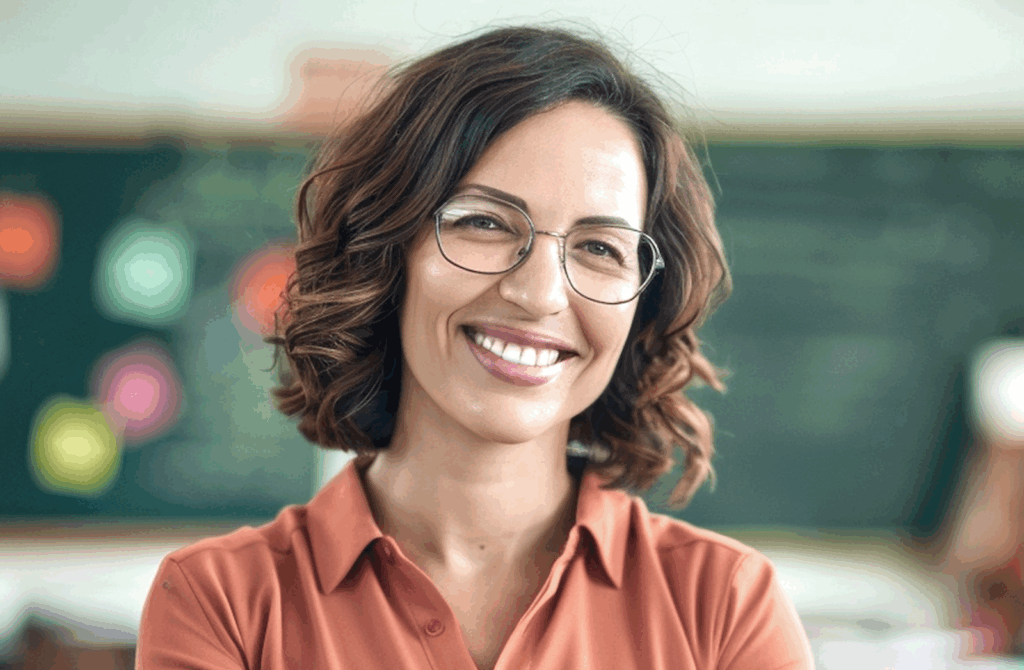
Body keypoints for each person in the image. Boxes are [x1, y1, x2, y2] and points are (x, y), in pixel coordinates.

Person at [136, 25, 814, 670]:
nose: (539, 294)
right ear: (384, 251)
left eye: (600, 248)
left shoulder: (725, 607)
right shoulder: (219, 604)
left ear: (643, 305)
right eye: (485, 222)